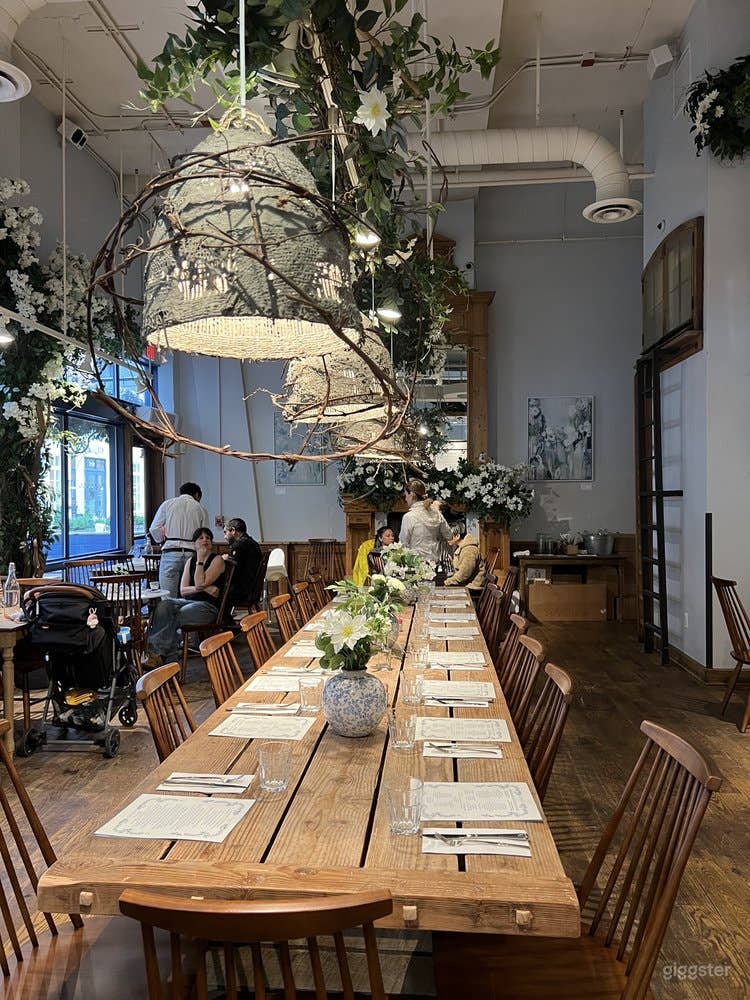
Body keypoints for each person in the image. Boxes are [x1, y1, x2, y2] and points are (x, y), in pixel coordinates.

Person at [143, 527, 225, 667]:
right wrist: (205, 588)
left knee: (175, 617)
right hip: (188, 601)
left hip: (208, 607)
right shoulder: (190, 561)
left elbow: (199, 581)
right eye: (201, 538)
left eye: (208, 538)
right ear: (194, 544)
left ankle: (161, 659)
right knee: (164, 606)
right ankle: (162, 658)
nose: (205, 540)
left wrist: (200, 560)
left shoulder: (217, 560)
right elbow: (183, 590)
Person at [149, 483, 210, 597]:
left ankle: (169, 614)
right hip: (192, 555)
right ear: (197, 495)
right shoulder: (200, 508)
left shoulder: (168, 504)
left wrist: (161, 540)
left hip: (170, 552)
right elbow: (205, 535)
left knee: (167, 596)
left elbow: (154, 528)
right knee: (190, 595)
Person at [399, 478, 451, 562]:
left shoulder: (409, 517)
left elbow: (402, 544)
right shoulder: (436, 513)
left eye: (406, 495)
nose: (405, 499)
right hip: (434, 564)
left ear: (411, 494)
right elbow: (449, 535)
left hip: (416, 565)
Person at [222, 517, 262, 609]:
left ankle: (220, 618)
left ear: (233, 530)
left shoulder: (239, 545)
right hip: (252, 590)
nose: (224, 537)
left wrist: (225, 560)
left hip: (242, 592)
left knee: (214, 591)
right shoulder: (253, 543)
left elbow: (234, 570)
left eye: (225, 532)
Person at [444, 521, 488, 592]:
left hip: (473, 587)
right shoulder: (461, 547)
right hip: (465, 584)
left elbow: (464, 574)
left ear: (457, 536)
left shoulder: (469, 550)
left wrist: (447, 582)